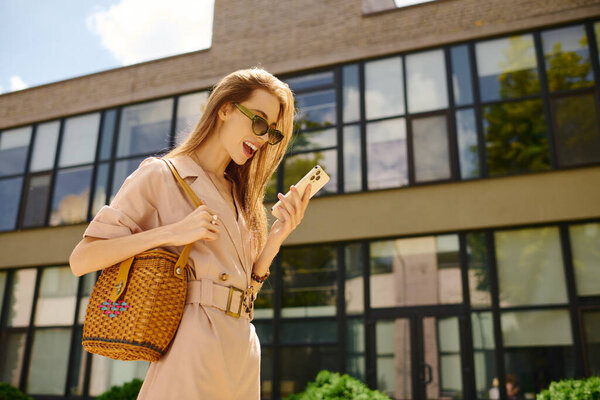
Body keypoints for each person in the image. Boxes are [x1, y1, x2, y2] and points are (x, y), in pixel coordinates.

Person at [69, 68, 311, 399]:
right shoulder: (161, 174)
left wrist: (275, 240)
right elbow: (82, 258)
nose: (261, 136)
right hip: (193, 346)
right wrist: (171, 233)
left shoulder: (241, 196)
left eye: (271, 132)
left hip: (243, 350)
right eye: (258, 121)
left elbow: (246, 290)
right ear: (225, 108)